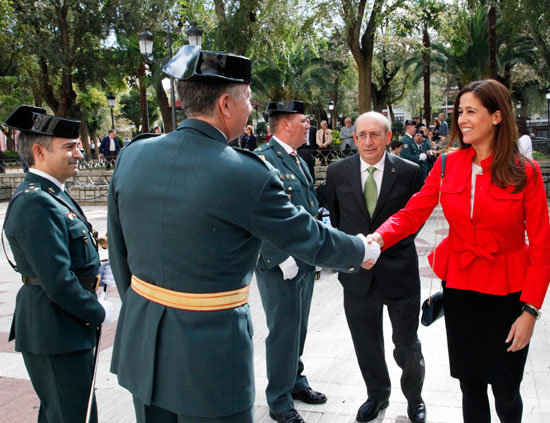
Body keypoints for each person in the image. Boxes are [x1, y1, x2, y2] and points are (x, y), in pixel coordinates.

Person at [107, 45, 379, 423]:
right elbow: (307, 236)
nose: (252, 108)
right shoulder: (243, 173)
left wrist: (142, 304)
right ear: (225, 104)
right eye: (248, 99)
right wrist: (360, 249)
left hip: (143, 346)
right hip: (210, 356)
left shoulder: (134, 154)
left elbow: (118, 252)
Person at [367, 79, 550, 423]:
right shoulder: (447, 166)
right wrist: (378, 238)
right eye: (459, 112)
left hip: (509, 295)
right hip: (462, 290)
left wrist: (530, 312)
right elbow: (411, 213)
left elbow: (542, 248)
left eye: (471, 111)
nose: (462, 119)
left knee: (507, 389)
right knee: (471, 385)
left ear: (497, 117)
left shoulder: (525, 172)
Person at [3, 105, 113, 423]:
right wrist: (99, 311)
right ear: (39, 151)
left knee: (64, 413)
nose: (79, 153)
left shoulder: (52, 194)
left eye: (78, 145)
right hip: (54, 329)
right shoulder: (36, 202)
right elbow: (58, 281)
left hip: (63, 326)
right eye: (69, 146)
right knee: (71, 415)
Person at [326, 112, 426, 423]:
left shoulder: (409, 171)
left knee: (407, 347)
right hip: (357, 277)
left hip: (400, 274)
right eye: (362, 135)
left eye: (375, 134)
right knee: (366, 344)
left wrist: (384, 246)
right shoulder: (337, 171)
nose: (368, 141)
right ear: (354, 138)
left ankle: (414, 398)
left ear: (387, 136)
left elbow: (416, 218)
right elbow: (337, 217)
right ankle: (377, 395)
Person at [254, 101, 325, 423]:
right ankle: (279, 400)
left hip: (304, 261)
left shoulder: (297, 159)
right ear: (284, 125)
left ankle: (295, 382)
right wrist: (278, 255)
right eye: (304, 121)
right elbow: (254, 214)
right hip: (280, 264)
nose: (309, 125)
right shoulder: (263, 160)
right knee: (283, 330)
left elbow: (307, 210)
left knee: (299, 327)